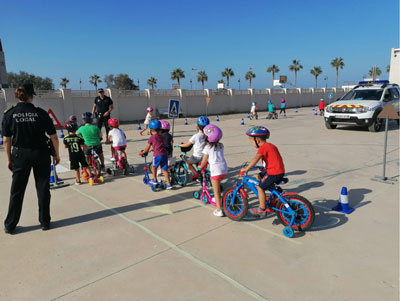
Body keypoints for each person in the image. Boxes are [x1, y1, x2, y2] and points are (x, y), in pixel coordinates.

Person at [1, 84, 60, 234]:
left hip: (20, 155)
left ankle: (10, 225)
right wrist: (56, 154)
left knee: (17, 190)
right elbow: (53, 137)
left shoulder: (10, 114)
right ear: (31, 95)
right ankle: (45, 222)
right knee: (43, 188)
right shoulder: (40, 113)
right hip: (40, 153)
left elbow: (6, 140)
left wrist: (9, 159)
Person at [240, 126, 285, 216]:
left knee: (260, 187)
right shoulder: (271, 145)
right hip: (277, 170)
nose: (251, 143)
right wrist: (263, 169)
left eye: (251, 141)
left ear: (258, 140)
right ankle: (273, 197)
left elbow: (256, 158)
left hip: (274, 172)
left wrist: (247, 168)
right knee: (259, 176)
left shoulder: (263, 147)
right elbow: (272, 159)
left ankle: (262, 209)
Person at [199, 124, 228, 217]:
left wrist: (200, 167)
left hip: (215, 170)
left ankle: (219, 210)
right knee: (218, 186)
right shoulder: (221, 146)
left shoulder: (207, 148)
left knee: (216, 191)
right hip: (223, 169)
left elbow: (203, 162)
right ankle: (218, 199)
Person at [140, 120, 172, 189]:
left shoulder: (151, 137)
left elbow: (147, 148)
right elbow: (160, 145)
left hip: (157, 155)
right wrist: (153, 149)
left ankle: (154, 180)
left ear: (151, 130)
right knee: (164, 169)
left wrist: (143, 152)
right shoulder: (162, 136)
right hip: (165, 154)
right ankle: (169, 184)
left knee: (153, 167)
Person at [178, 116, 209, 181]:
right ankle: (201, 173)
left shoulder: (196, 136)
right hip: (205, 157)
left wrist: (180, 145)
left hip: (196, 157)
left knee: (188, 163)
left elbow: (187, 144)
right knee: (201, 166)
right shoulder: (207, 136)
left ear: (197, 126)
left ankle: (196, 174)